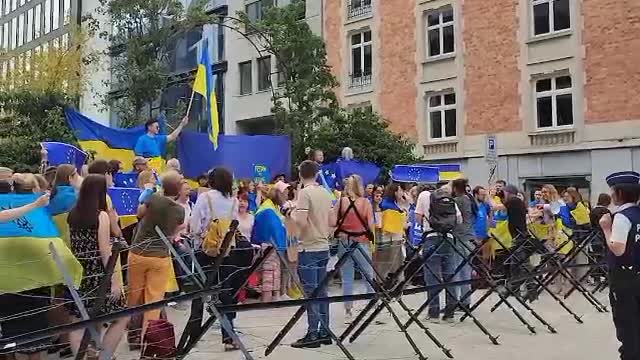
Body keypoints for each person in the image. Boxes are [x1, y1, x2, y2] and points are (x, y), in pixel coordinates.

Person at [65, 174, 128, 359]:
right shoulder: (101, 216)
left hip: (79, 272)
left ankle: (85, 355)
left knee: (79, 321)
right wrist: (115, 280)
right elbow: (105, 251)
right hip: (99, 274)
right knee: (121, 317)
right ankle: (105, 355)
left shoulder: (73, 214)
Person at [190, 167, 251, 351]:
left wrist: (196, 239)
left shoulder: (205, 197)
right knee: (226, 291)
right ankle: (228, 334)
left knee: (200, 289)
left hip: (205, 249)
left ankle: (193, 332)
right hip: (226, 250)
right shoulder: (233, 201)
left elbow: (195, 224)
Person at [127, 171, 185, 345]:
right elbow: (175, 231)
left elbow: (139, 213)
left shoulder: (153, 199)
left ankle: (132, 332)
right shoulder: (179, 210)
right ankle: (148, 339)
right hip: (160, 256)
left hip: (138, 252)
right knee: (154, 300)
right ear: (179, 189)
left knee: (134, 296)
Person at [598, 171, 640, 360]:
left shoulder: (622, 217)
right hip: (637, 272)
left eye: (613, 191)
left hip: (624, 277)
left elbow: (618, 249)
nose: (612, 195)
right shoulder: (637, 214)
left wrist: (606, 229)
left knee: (626, 324)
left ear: (620, 193)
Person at [292, 160, 333, 348]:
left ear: (301, 174)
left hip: (308, 246)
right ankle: (325, 331)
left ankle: (312, 333)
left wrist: (289, 211)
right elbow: (332, 220)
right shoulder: (325, 192)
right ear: (316, 174)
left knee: (311, 292)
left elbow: (300, 220)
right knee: (322, 291)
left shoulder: (304, 193)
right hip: (324, 245)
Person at [415, 183, 461, 323]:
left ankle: (434, 313)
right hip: (448, 238)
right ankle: (450, 313)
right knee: (450, 276)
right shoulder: (447, 197)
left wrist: (427, 221)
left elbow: (417, 217)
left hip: (431, 238)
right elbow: (459, 219)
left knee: (432, 277)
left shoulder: (423, 195)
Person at [331, 174, 375, 322]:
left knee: (347, 276)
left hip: (344, 241)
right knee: (368, 273)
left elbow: (332, 221)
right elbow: (370, 225)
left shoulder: (341, 202)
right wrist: (372, 240)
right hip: (361, 241)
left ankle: (348, 309)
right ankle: (371, 303)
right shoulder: (365, 203)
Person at [252, 181, 289, 302]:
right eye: (285, 193)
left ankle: (275, 296)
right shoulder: (268, 209)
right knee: (269, 272)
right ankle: (266, 299)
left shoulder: (273, 207)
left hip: (274, 246)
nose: (287, 196)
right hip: (269, 245)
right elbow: (273, 229)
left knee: (275, 271)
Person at [451, 178, 476, 309]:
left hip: (459, 236)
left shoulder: (457, 201)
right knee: (466, 268)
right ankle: (466, 300)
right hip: (469, 235)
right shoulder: (469, 199)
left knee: (458, 270)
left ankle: (459, 300)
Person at [377, 183, 408, 280]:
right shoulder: (389, 205)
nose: (402, 193)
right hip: (390, 237)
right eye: (400, 191)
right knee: (390, 262)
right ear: (394, 192)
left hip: (395, 237)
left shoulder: (394, 204)